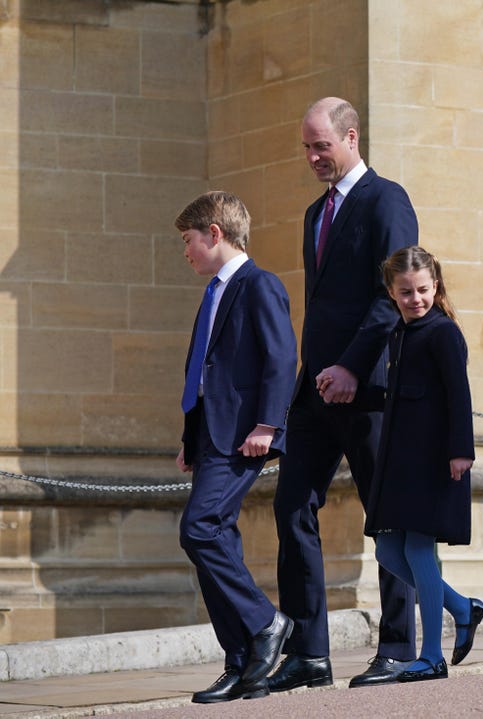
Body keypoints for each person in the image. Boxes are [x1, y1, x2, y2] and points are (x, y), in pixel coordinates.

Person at [269, 97, 419, 692]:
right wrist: (315, 374)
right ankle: (310, 653)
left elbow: (394, 294)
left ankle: (400, 648)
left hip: (371, 387)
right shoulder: (314, 214)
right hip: (316, 391)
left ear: (350, 137)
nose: (312, 157)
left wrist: (354, 366)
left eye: (320, 146)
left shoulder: (387, 200)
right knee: (290, 506)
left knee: (387, 518)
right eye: (306, 147)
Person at [174, 191, 297, 703]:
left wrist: (269, 424)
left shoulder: (259, 284)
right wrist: (189, 438)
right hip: (211, 435)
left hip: (244, 435)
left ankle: (266, 622)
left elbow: (280, 356)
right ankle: (242, 661)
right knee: (216, 537)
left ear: (215, 233)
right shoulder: (213, 292)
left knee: (197, 528)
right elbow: (204, 370)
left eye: (189, 241)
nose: (186, 252)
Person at [360, 246, 483, 682]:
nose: (416, 298)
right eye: (406, 292)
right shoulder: (399, 332)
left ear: (436, 286)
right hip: (400, 459)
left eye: (423, 290)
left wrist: (461, 451)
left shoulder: (443, 332)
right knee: (387, 549)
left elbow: (458, 394)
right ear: (392, 292)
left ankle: (432, 654)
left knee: (417, 548)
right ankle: (462, 607)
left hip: (434, 458)